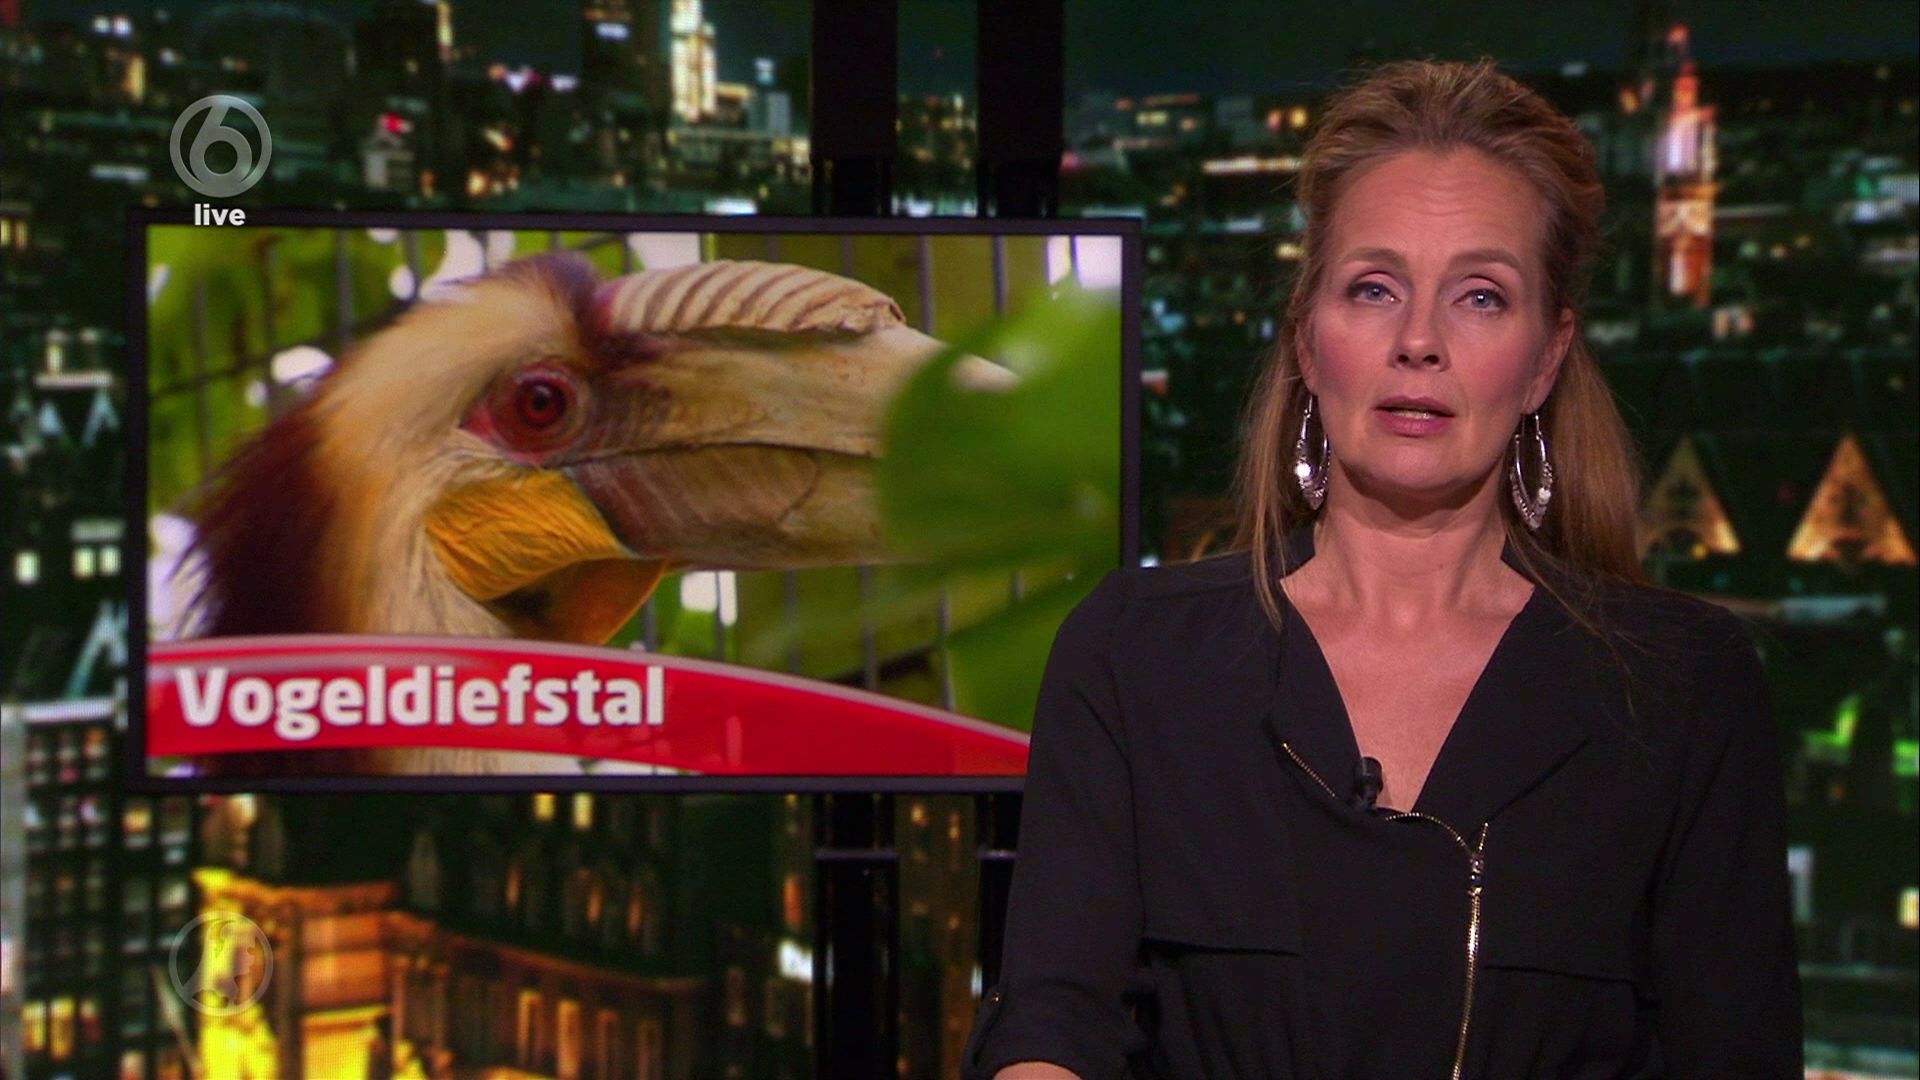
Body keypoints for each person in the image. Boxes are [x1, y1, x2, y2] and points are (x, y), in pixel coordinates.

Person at [962, 58, 1803, 1079]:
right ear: (1308, 341)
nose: (1419, 341)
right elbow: (1055, 1020)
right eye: (1374, 288)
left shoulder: (1681, 685)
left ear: (1545, 359)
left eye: (1481, 297)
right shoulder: (1137, 653)